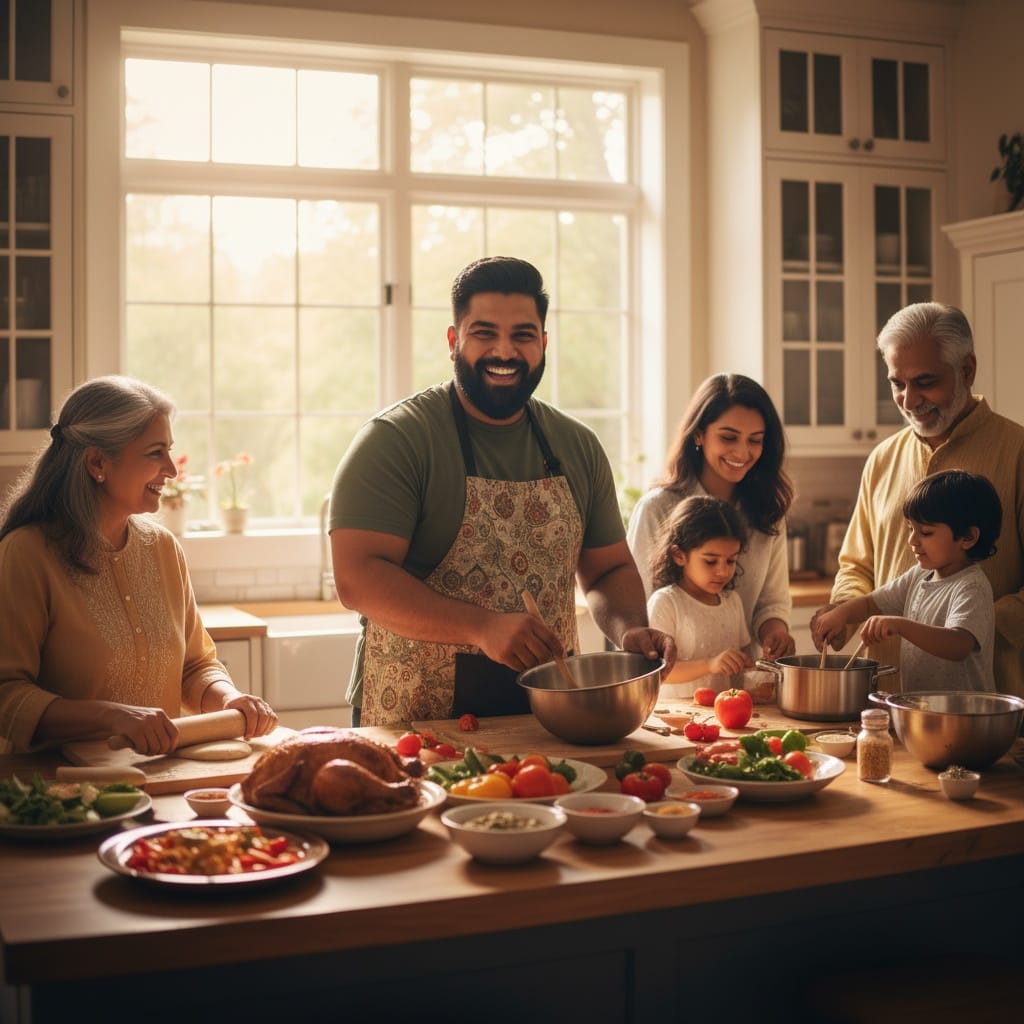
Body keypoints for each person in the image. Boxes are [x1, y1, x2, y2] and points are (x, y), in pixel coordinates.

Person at [329, 256, 676, 726]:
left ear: (544, 343)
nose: (505, 352)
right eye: (485, 333)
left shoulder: (577, 446)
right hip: (414, 716)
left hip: (548, 710)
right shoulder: (397, 439)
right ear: (454, 341)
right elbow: (358, 579)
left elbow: (607, 569)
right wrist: (481, 626)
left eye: (523, 335)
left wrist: (631, 628)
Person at [0, 376, 278, 755]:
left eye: (169, 451)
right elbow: (7, 695)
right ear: (97, 462)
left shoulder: (163, 548)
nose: (171, 469)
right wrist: (113, 717)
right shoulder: (26, 555)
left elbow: (195, 666)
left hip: (157, 777)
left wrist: (229, 699)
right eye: (154, 453)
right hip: (60, 792)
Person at [813, 302, 1024, 696]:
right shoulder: (882, 458)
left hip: (986, 707)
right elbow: (857, 564)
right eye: (897, 383)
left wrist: (970, 621)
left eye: (925, 382)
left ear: (967, 370)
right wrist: (844, 612)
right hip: (883, 694)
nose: (909, 400)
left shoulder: (1018, 452)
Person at [627, 373, 796, 661]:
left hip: (741, 688)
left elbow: (772, 603)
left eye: (755, 440)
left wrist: (775, 633)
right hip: (672, 688)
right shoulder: (656, 509)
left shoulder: (769, 512)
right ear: (698, 434)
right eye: (728, 437)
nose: (742, 452)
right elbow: (639, 615)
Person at [812, 471, 1001, 692]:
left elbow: (959, 645)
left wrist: (900, 625)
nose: (912, 540)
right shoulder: (919, 574)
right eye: (911, 529)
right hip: (921, 711)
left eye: (926, 532)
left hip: (965, 719)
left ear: (968, 537)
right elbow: (870, 604)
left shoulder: (971, 586)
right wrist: (840, 613)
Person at [646, 495, 754, 698]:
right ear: (679, 555)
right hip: (675, 718)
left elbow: (742, 665)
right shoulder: (666, 603)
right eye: (710, 561)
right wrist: (710, 664)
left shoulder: (733, 602)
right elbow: (656, 672)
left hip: (723, 717)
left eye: (731, 561)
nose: (722, 572)